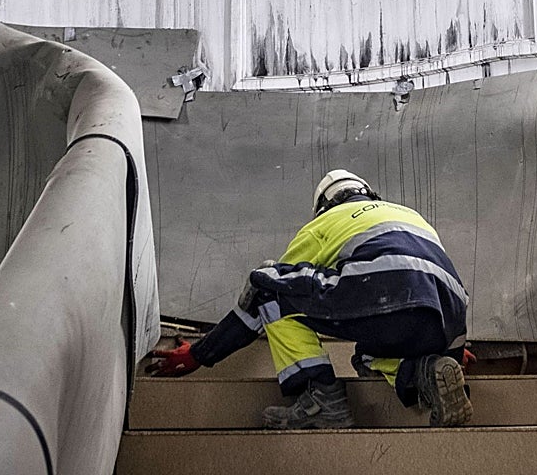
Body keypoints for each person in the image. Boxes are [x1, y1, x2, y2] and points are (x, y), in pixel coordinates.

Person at [147, 169, 472, 429]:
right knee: (366, 356)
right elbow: (434, 284)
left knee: (270, 288)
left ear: (324, 207)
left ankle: (322, 398)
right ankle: (426, 372)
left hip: (380, 294)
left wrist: (202, 354)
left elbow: (273, 288)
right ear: (367, 192)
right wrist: (452, 351)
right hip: (448, 318)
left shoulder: (324, 224)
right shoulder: (410, 215)